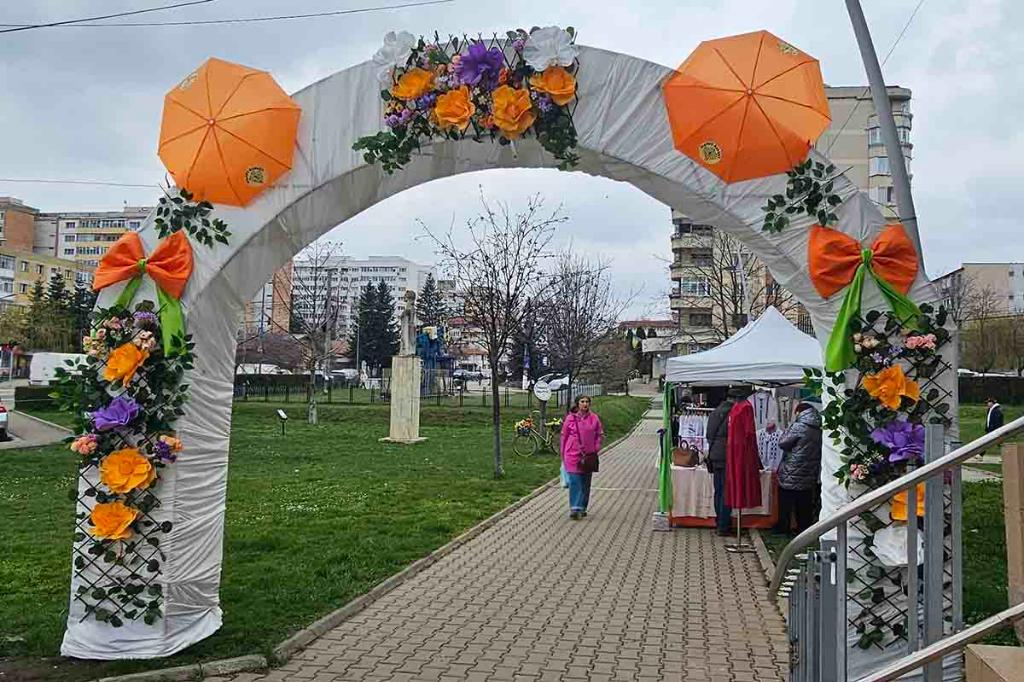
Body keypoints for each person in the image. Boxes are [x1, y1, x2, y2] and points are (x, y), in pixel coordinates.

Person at [774, 400, 822, 535]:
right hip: (810, 470)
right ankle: (804, 529)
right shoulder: (818, 427)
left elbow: (783, 443)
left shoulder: (798, 426)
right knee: (804, 501)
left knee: (786, 501)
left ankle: (783, 527)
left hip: (792, 469)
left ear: (799, 412)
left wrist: (787, 430)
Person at [561, 395, 604, 520]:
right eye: (582, 401)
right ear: (577, 404)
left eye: (587, 402)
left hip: (588, 455)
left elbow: (599, 434)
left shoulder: (594, 418)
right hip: (572, 454)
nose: (585, 404)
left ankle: (583, 506)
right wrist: (563, 454)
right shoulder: (570, 419)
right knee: (575, 481)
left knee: (585, 482)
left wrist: (596, 447)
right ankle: (575, 508)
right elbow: (564, 436)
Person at [706, 390, 738, 536]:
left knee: (718, 490)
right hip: (728, 456)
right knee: (726, 491)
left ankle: (719, 521)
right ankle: (724, 526)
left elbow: (708, 435)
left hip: (715, 455)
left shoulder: (714, 412)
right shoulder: (735, 414)